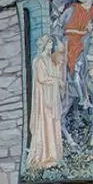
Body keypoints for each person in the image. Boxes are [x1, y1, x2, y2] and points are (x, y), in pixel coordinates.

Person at [27, 35, 65, 169]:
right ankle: (44, 155)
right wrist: (56, 80)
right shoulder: (39, 61)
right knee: (46, 123)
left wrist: (59, 68)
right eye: (49, 43)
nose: (51, 45)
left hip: (52, 97)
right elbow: (42, 78)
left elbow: (56, 74)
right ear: (44, 45)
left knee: (53, 123)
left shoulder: (50, 60)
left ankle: (54, 154)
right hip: (43, 99)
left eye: (51, 43)